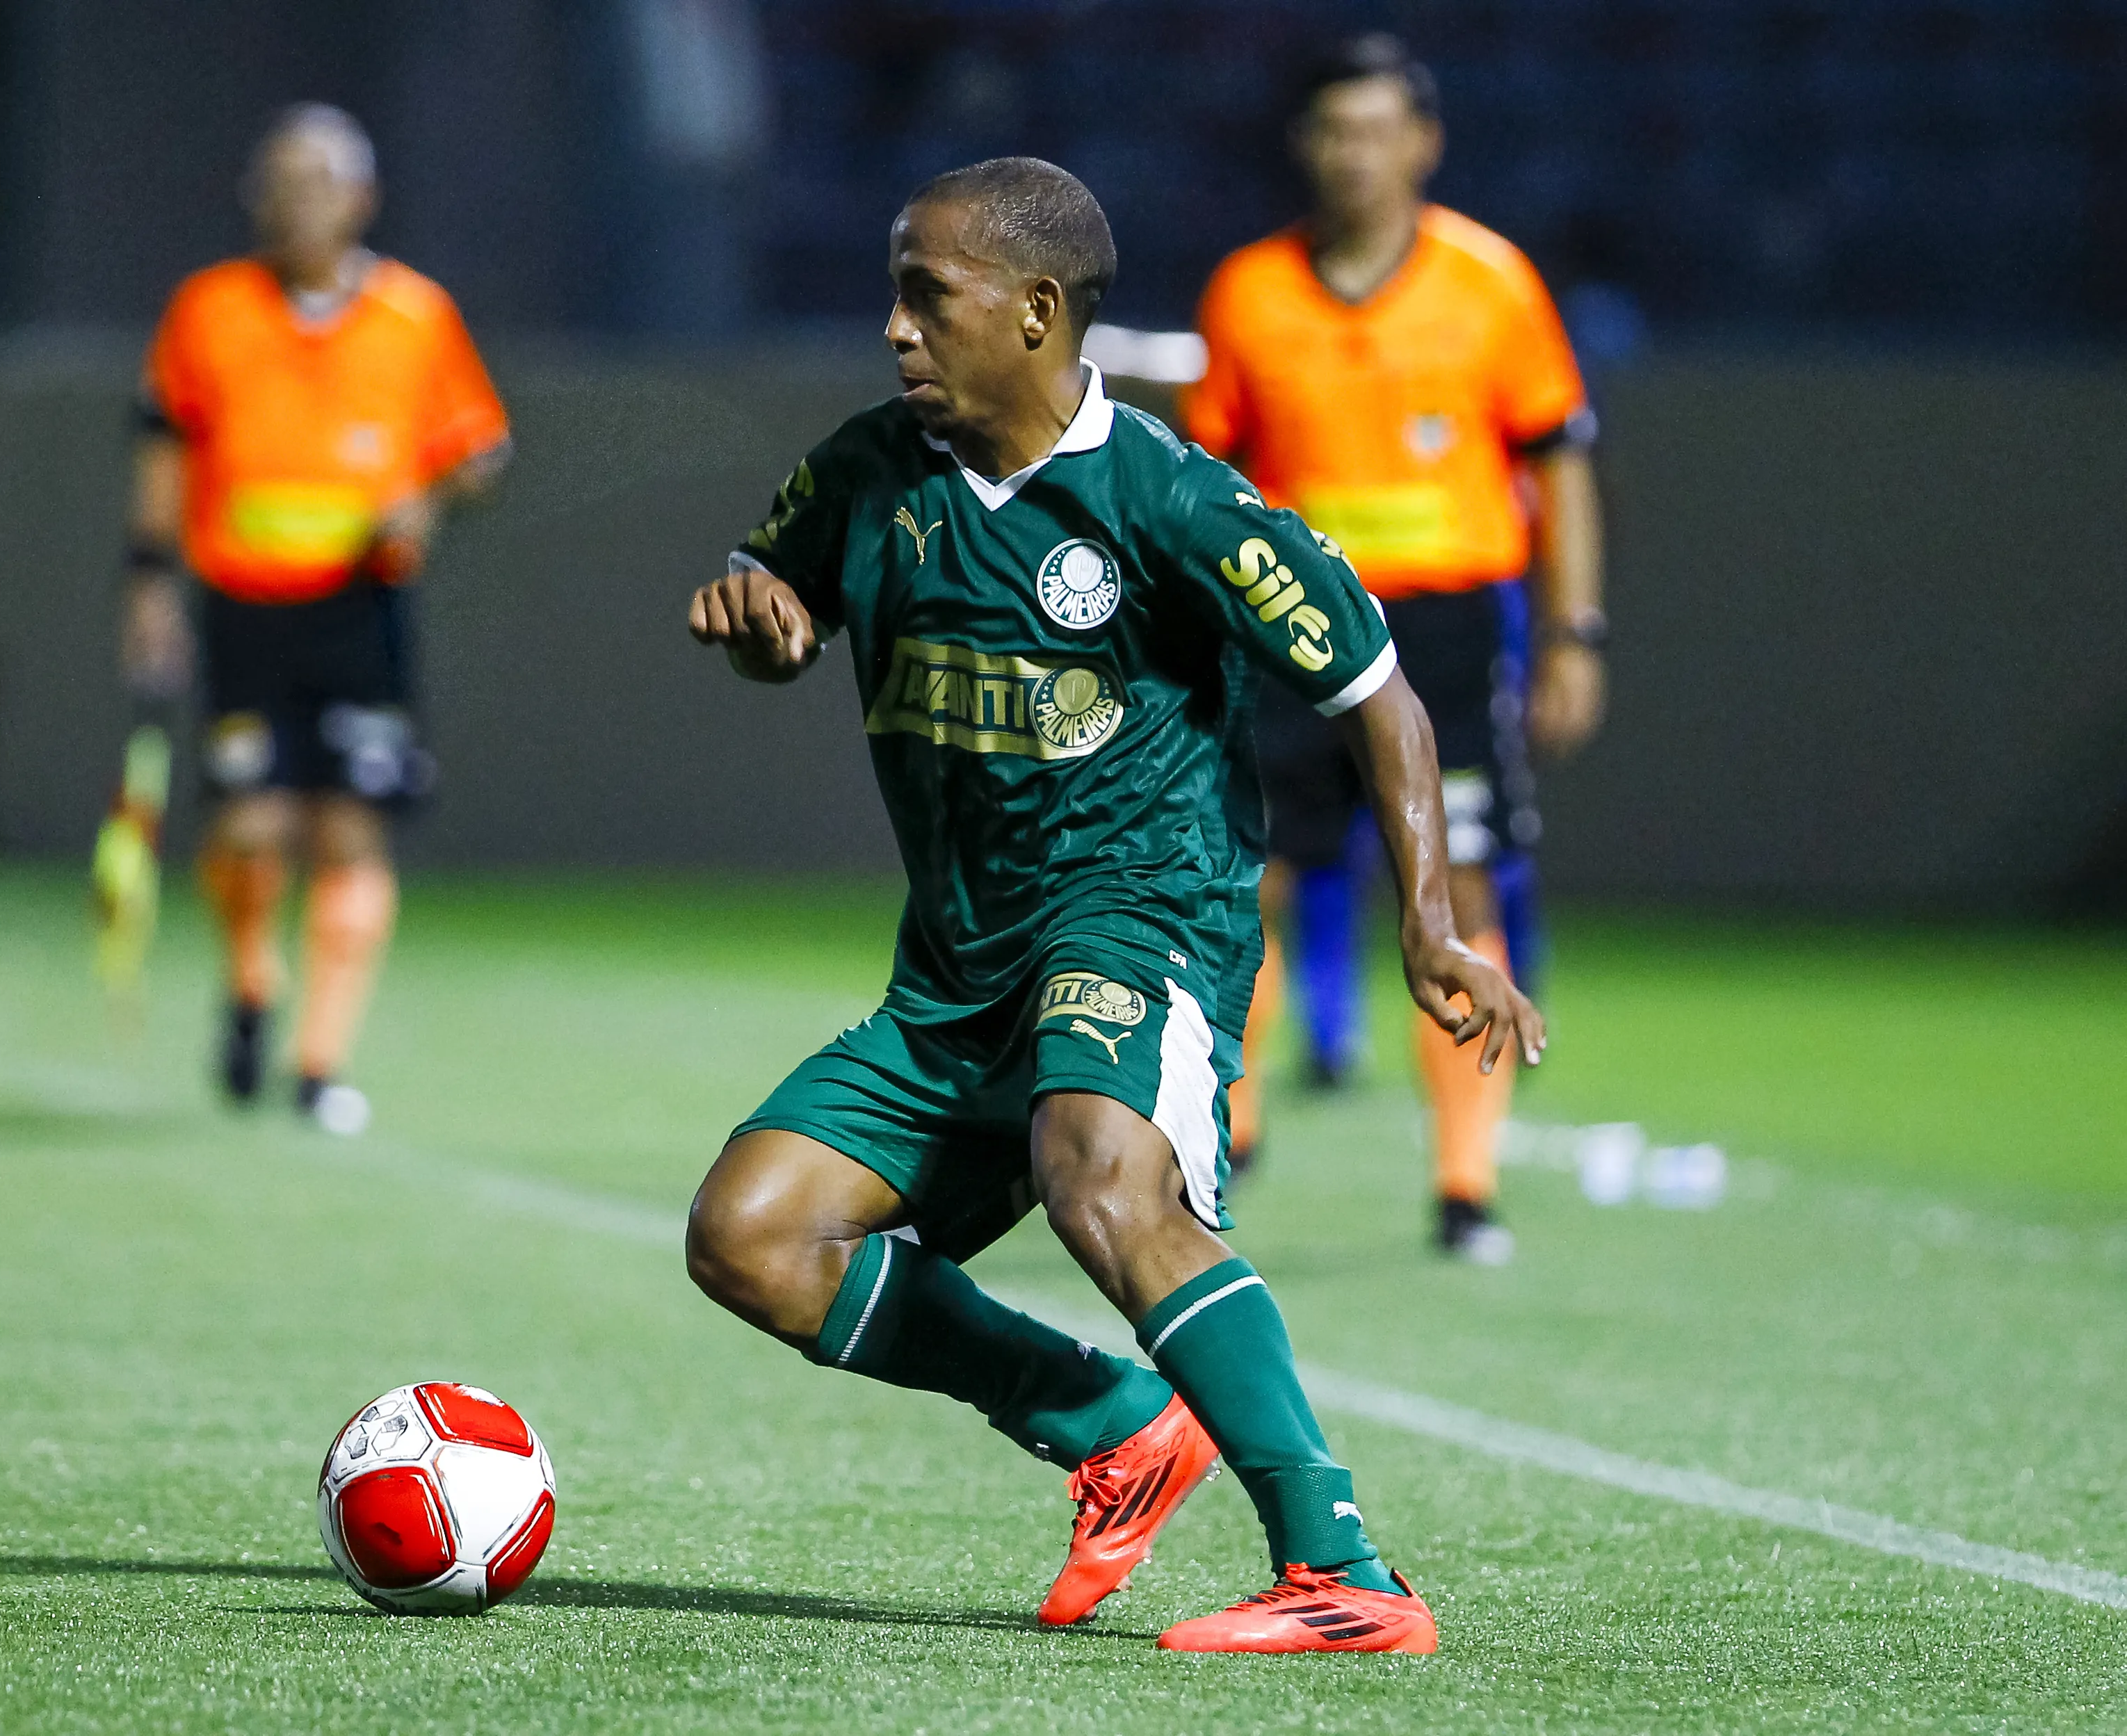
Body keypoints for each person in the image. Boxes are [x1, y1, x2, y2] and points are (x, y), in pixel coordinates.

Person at [683, 157, 1542, 1653]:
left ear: (1033, 310)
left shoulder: (1169, 498)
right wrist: (763, 629)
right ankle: (1106, 1421)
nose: (893, 327)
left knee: (1100, 1178)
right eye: (892, 293)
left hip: (1141, 917)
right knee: (750, 1237)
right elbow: (784, 607)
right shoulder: (864, 472)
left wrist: (1425, 918)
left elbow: (1377, 692)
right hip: (956, 974)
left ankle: (1344, 1574)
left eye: (924, 295)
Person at [1179, 34, 1607, 1262]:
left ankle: (1465, 1185)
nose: (1352, 153)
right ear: (1302, 145)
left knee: (1460, 884)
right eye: (1332, 130)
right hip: (1288, 625)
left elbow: (1558, 463)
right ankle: (1223, 1137)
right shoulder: (1249, 293)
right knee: (1244, 878)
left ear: (1423, 143)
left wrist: (1573, 633)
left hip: (1444, 632)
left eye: (1375, 129)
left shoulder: (1490, 284)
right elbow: (1202, 482)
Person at [121, 104, 510, 1134]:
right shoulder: (208, 309)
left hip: (360, 607)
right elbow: (163, 447)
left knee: (350, 828)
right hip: (245, 606)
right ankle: (252, 980)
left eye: (318, 182)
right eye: (280, 183)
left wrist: (426, 500)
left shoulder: (414, 314)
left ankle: (317, 1064)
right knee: (251, 825)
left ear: (361, 198)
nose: (296, 203)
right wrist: (149, 584)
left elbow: (481, 448)